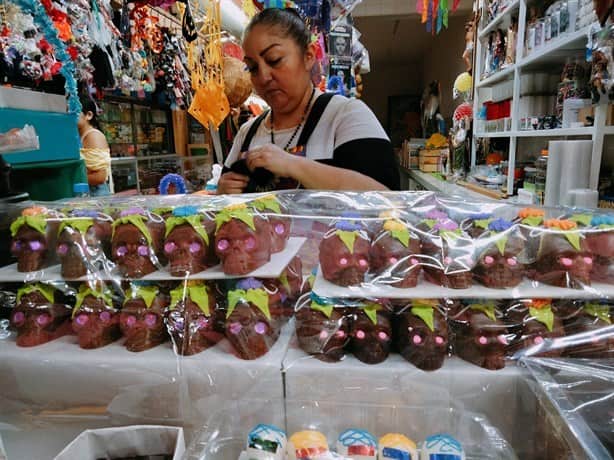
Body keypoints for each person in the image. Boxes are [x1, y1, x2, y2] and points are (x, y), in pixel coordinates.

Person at [217, 8, 399, 194]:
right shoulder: (247, 133)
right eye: (253, 68)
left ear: (308, 56)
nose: (263, 77)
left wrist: (293, 165)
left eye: (274, 60)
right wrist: (222, 194)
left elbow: (387, 199)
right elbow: (223, 207)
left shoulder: (345, 116)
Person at [78, 96, 112, 196]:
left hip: (95, 196)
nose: (68, 115)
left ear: (88, 115)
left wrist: (71, 179)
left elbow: (100, 177)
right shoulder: (78, 136)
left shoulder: (93, 136)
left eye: (73, 111)